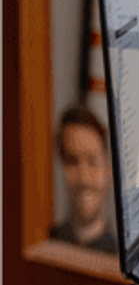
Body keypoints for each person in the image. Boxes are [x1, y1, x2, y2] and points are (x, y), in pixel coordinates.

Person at [51, 105, 117, 254]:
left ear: (108, 170)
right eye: (72, 161)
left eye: (93, 162)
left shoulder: (120, 264)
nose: (84, 178)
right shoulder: (44, 246)